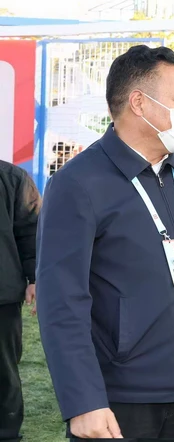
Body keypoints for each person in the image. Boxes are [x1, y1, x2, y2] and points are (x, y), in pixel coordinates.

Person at [36, 45, 174, 441]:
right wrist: (83, 401)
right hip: (121, 398)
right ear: (139, 103)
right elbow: (61, 301)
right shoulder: (78, 183)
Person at [0, 161, 40, 442]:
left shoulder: (11, 177)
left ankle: (6, 432)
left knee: (3, 370)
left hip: (1, 296)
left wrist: (36, 277)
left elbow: (32, 230)